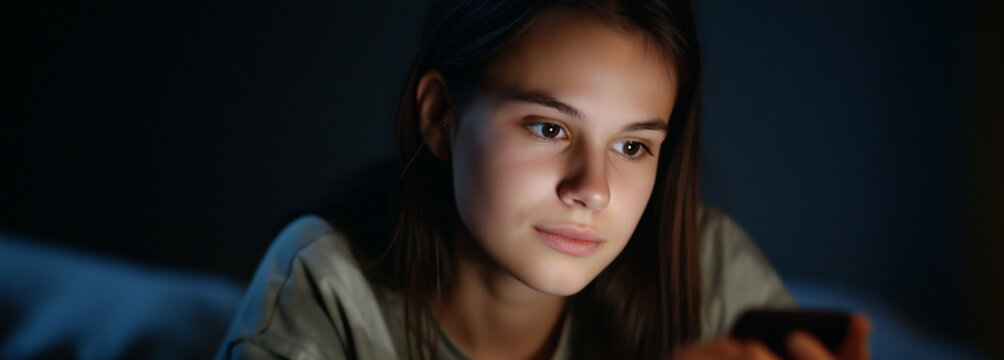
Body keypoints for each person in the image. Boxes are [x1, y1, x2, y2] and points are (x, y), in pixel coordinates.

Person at [216, 1, 870, 359]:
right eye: (549, 128)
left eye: (633, 145)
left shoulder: (701, 266)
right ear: (441, 116)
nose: (593, 188)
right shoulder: (327, 289)